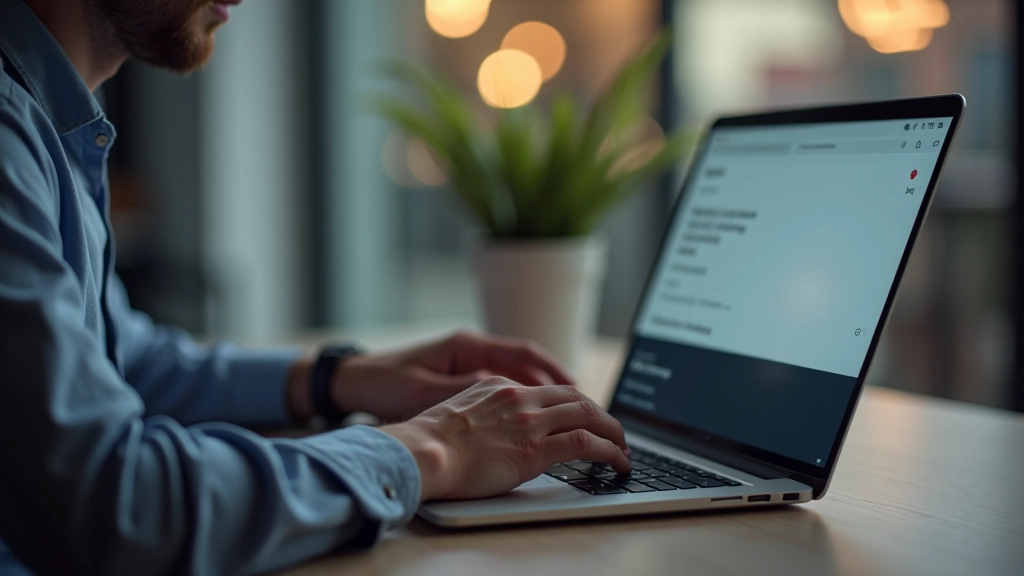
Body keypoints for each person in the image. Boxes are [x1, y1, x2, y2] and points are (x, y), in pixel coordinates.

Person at [0, 0, 633, 574]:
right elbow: (115, 506)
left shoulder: (49, 116)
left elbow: (123, 361)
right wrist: (436, 447)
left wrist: (340, 377)